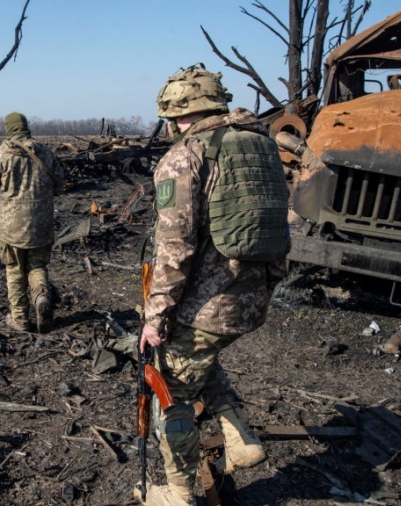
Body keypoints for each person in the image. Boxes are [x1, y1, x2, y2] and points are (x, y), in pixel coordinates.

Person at [136, 64, 290, 506]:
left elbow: (174, 247)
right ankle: (241, 437)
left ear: (173, 112)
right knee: (200, 356)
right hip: (252, 299)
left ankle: (181, 493)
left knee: (170, 390)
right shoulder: (260, 146)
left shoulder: (184, 156)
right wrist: (269, 284)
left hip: (208, 305)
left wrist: (155, 316)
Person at [0, 112, 65, 333]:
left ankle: (20, 319)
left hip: (12, 228)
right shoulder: (45, 152)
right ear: (26, 126)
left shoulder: (1, 155)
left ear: (8, 128)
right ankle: (41, 296)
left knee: (14, 270)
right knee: (37, 266)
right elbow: (60, 185)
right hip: (42, 224)